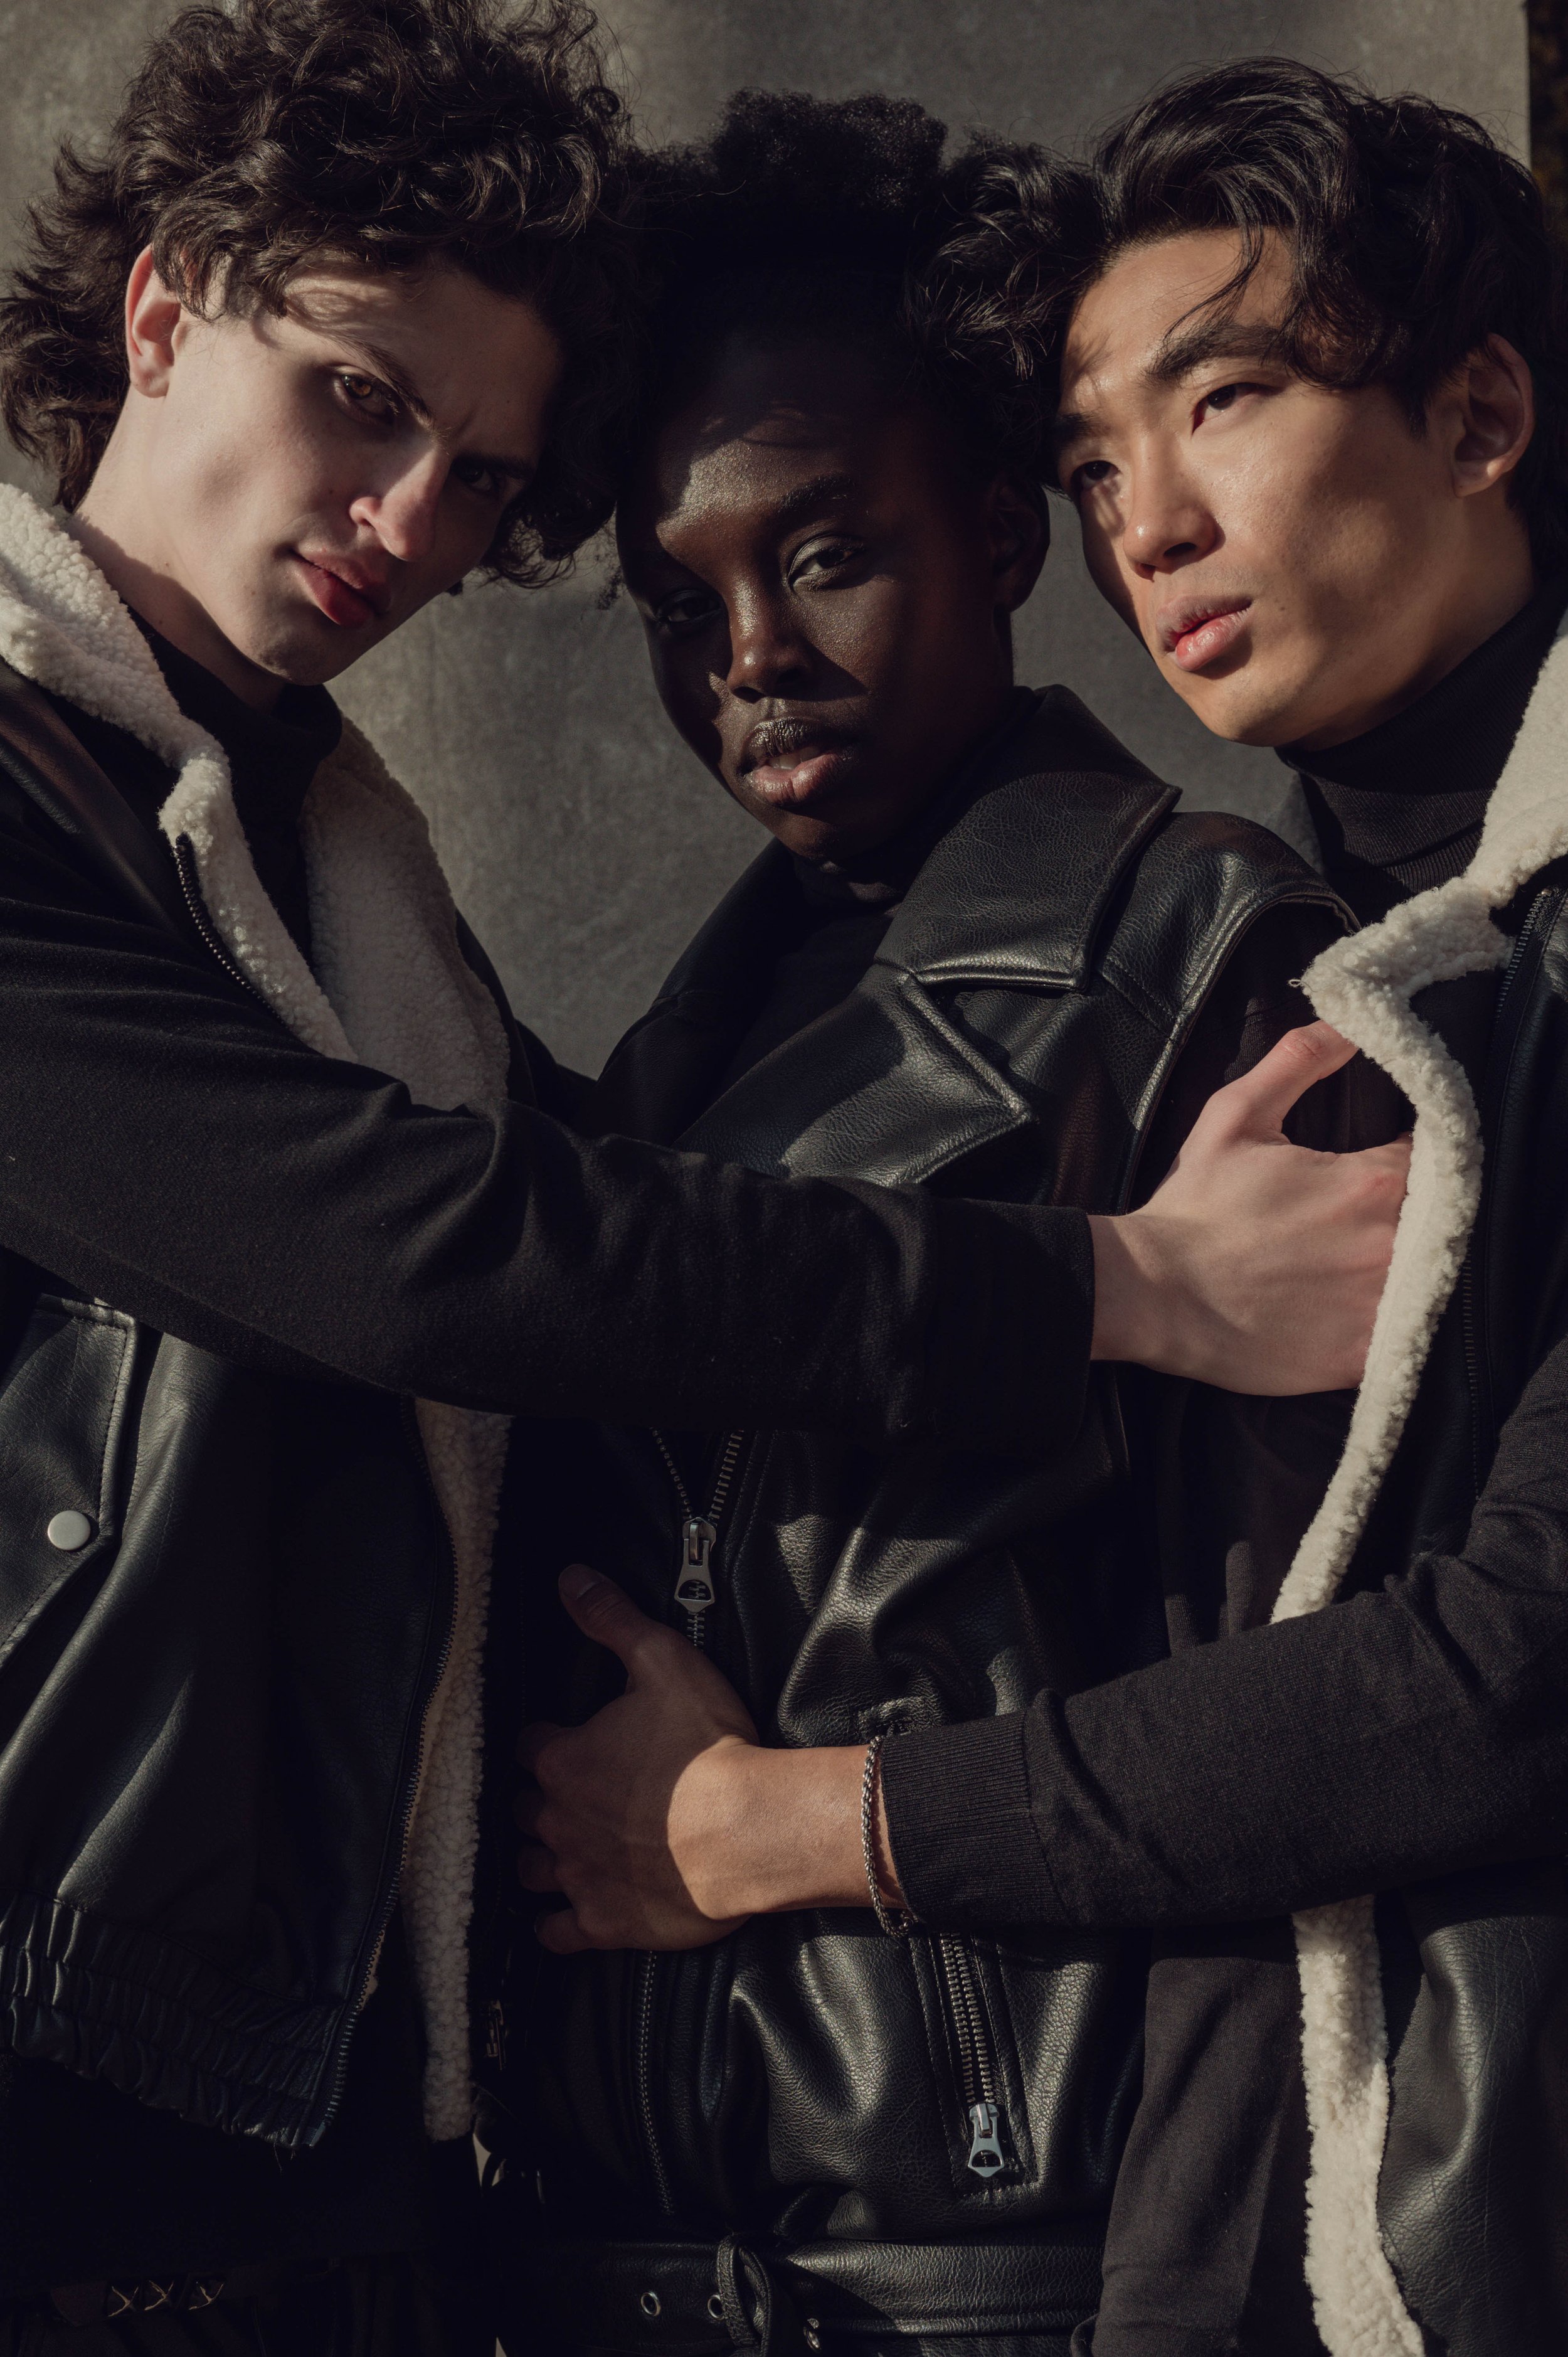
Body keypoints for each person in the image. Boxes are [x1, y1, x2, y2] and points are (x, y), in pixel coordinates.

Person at [0, 11, 1399, 2351]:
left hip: (551, 2211)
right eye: (357, 399)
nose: (403, 523)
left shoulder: (394, 930)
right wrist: (1110, 1285)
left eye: (475, 474)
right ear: (158, 314)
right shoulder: (192, 881)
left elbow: (1308, 1752)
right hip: (121, 2129)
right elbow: (412, 1246)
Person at [514, 60, 1568, 2357]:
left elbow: (1460, 1684)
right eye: (1101, 459)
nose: (1148, 524)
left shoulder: (1250, 978)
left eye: (1226, 400)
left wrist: (788, 1826)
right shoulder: (1397, 954)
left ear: (1481, 414)